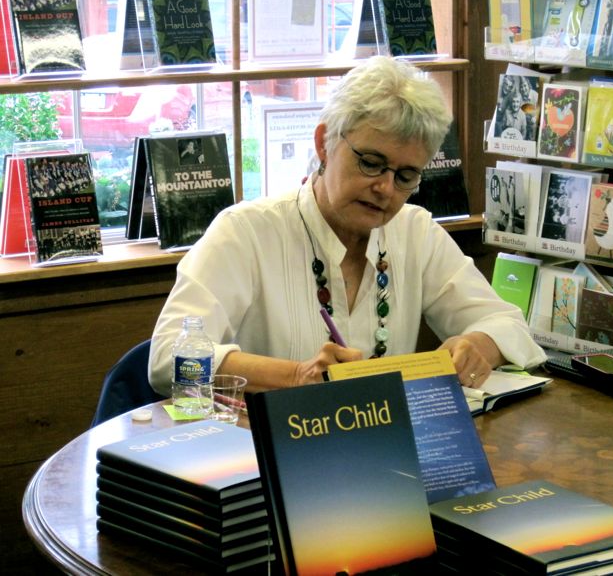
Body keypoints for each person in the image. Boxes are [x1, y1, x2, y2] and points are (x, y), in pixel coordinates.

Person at [149, 56, 546, 396]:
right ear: (324, 144)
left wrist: (480, 344)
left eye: (406, 175)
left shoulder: (415, 232)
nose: (385, 189)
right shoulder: (246, 232)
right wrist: (294, 376)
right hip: (266, 461)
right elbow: (169, 360)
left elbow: (510, 324)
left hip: (386, 457)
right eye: (371, 163)